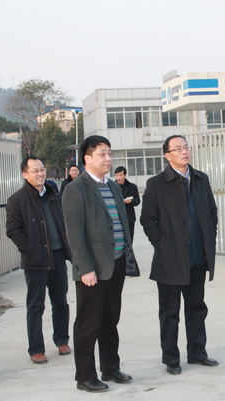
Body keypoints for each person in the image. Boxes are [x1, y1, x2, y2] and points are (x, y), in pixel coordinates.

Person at [62, 135, 138, 393]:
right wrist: (85, 268)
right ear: (87, 158)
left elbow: (121, 224)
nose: (108, 159)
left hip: (116, 263)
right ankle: (85, 376)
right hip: (92, 269)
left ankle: (110, 367)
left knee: (110, 319)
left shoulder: (114, 187)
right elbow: (74, 234)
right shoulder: (76, 189)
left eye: (109, 153)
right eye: (102, 154)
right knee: (88, 323)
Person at [140, 135, 218, 375]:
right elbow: (147, 219)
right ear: (167, 155)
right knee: (169, 313)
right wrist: (162, 244)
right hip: (170, 260)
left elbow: (212, 211)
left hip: (197, 257)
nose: (184, 151)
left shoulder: (201, 179)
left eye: (186, 147)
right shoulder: (156, 183)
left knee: (197, 308)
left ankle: (197, 352)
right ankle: (171, 359)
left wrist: (208, 236)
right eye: (178, 148)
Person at [6, 156, 72, 365]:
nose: (40, 173)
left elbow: (64, 221)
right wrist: (30, 250)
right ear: (25, 174)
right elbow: (13, 230)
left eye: (42, 169)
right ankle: (36, 348)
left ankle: (62, 340)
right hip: (36, 261)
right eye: (35, 171)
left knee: (60, 301)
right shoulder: (17, 200)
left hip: (58, 256)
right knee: (36, 305)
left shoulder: (53, 194)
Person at [114, 166, 140, 243]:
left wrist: (131, 201)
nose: (118, 177)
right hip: (116, 218)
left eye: (120, 175)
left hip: (129, 218)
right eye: (116, 175)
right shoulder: (112, 187)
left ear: (125, 175)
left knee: (129, 240)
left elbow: (137, 201)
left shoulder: (132, 187)